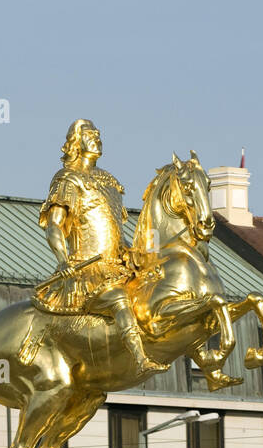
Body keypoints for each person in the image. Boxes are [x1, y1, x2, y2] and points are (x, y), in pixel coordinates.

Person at [33, 119, 168, 379]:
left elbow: (116, 232)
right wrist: (63, 260)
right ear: (76, 143)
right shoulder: (68, 179)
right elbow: (54, 226)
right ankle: (139, 359)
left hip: (117, 264)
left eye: (97, 134)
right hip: (87, 270)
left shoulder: (110, 182)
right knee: (119, 298)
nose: (97, 138)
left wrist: (133, 253)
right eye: (89, 135)